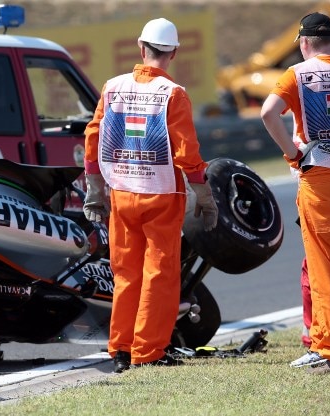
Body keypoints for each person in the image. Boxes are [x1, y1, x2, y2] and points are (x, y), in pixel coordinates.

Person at [83, 18, 218, 373]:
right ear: (173, 52)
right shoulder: (173, 94)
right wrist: (203, 194)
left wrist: (95, 189)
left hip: (122, 193)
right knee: (159, 273)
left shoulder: (112, 87)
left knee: (126, 273)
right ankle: (148, 351)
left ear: (141, 48)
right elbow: (187, 153)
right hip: (160, 195)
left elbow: (92, 139)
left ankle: (121, 347)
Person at [260, 11, 330, 374]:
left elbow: (268, 113)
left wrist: (291, 155)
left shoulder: (298, 74)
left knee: (324, 267)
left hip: (321, 178)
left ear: (304, 43)